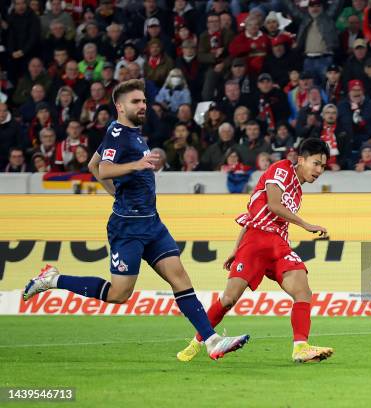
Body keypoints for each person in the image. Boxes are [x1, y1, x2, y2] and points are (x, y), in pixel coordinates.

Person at [23, 79, 249, 360]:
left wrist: (117, 194)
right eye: (135, 102)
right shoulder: (119, 135)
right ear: (119, 106)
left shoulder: (128, 132)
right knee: (119, 294)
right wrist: (135, 166)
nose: (143, 106)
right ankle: (53, 279)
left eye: (143, 101)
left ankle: (212, 341)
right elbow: (103, 169)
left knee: (179, 278)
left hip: (151, 223)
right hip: (127, 228)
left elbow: (93, 165)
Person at [177, 138, 334, 363]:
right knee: (229, 299)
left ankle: (300, 347)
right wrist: (307, 225)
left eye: (323, 166)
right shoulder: (282, 169)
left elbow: (254, 215)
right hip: (257, 242)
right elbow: (273, 205)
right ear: (301, 160)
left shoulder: (298, 192)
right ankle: (196, 343)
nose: (319, 170)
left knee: (303, 291)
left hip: (278, 245)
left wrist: (234, 247)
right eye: (316, 163)